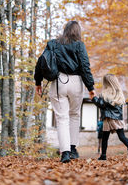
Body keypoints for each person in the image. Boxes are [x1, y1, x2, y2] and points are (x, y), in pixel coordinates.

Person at [34, 21, 96, 163]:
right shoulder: (80, 45)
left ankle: (65, 153)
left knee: (62, 119)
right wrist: (91, 87)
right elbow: (85, 66)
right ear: (77, 31)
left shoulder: (53, 43)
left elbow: (41, 62)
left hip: (58, 82)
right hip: (76, 83)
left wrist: (38, 82)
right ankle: (73, 149)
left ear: (65, 31)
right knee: (74, 115)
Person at [90, 74, 128, 160]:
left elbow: (101, 104)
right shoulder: (119, 94)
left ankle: (103, 155)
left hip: (108, 119)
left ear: (106, 83)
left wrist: (94, 98)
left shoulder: (105, 93)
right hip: (118, 119)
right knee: (121, 136)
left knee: (105, 138)